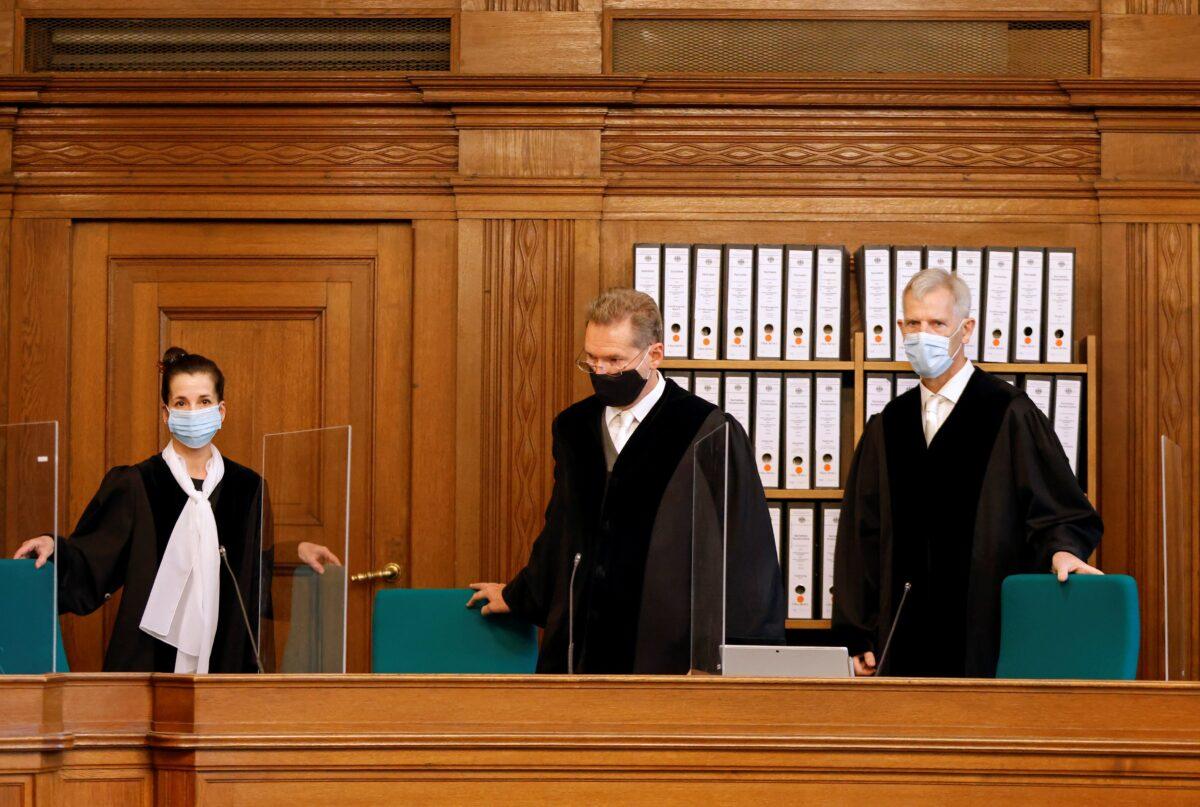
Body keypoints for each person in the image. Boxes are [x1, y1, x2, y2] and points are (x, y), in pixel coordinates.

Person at [467, 288, 785, 674]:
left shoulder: (707, 432)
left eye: (615, 361)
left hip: (669, 651)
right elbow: (562, 528)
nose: (601, 373)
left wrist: (727, 657)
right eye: (592, 360)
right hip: (580, 646)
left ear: (654, 355)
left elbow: (746, 550)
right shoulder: (574, 427)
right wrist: (519, 595)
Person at [833, 268, 1103, 678]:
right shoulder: (887, 426)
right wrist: (857, 636)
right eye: (914, 323)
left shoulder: (1008, 413)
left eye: (937, 323)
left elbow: (1059, 509)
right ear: (900, 328)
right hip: (901, 647)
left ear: (966, 328)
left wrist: (1061, 549)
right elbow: (861, 540)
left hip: (986, 639)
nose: (923, 334)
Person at [13, 347, 341, 673]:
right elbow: (94, 559)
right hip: (150, 662)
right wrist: (55, 547)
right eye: (181, 403)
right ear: (167, 413)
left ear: (221, 411)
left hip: (226, 659)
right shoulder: (137, 483)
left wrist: (295, 552)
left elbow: (254, 575)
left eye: (204, 402)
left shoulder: (248, 488)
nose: (193, 412)